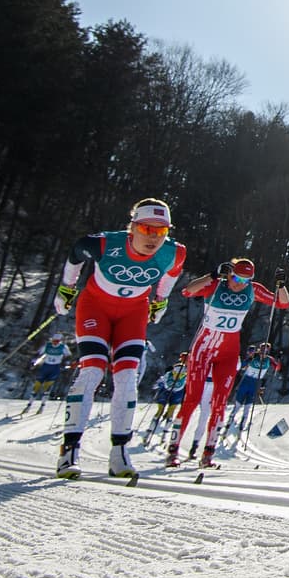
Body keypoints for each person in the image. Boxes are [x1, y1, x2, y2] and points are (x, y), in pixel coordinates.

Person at [54, 198, 186, 479]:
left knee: (127, 377)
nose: (153, 237)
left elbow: (172, 275)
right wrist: (66, 288)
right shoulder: (103, 244)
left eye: (161, 231)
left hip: (133, 313)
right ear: (133, 227)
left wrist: (161, 300)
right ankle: (69, 453)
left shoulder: (174, 253)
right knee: (92, 370)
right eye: (146, 229)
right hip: (95, 308)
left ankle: (119, 453)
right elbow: (76, 252)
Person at [166, 258, 289, 468]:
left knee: (220, 402)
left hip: (228, 353)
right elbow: (187, 291)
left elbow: (283, 302)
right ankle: (173, 450)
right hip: (203, 350)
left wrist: (282, 284)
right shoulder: (216, 285)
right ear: (230, 274)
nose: (240, 283)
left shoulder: (253, 289)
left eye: (246, 279)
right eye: (237, 278)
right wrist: (213, 275)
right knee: (192, 399)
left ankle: (208, 454)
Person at [225, 342, 280, 437]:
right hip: (246, 382)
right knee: (238, 404)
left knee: (248, 407)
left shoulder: (269, 359)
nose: (264, 351)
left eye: (266, 350)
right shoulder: (254, 356)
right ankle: (230, 421)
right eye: (262, 349)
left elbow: (278, 367)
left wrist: (277, 365)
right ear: (260, 349)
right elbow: (242, 365)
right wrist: (248, 359)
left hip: (255, 384)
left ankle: (242, 426)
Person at [141, 354, 188, 446]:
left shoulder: (179, 372)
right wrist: (159, 385)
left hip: (171, 392)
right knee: (167, 412)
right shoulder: (176, 372)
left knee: (163, 412)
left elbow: (158, 383)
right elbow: (159, 382)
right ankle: (161, 434)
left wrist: (159, 385)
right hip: (172, 393)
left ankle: (152, 432)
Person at [22, 331, 73, 414]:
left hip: (55, 368)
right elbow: (39, 354)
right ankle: (29, 405)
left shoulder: (63, 347)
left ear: (60, 341)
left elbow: (68, 356)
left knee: (47, 387)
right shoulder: (47, 345)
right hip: (45, 367)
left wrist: (66, 363)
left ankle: (42, 406)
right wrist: (33, 362)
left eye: (57, 341)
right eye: (54, 341)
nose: (55, 343)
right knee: (37, 386)